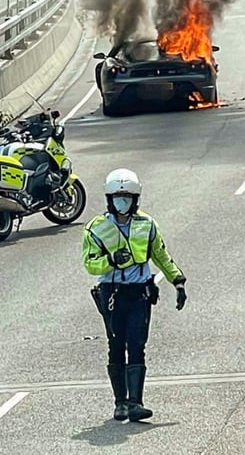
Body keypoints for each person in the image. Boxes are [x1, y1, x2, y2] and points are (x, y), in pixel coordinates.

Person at [81, 168, 188, 422]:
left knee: (137, 344)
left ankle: (135, 402)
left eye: (128, 197)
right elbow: (89, 264)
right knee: (116, 345)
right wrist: (110, 260)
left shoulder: (146, 225)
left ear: (136, 199)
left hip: (139, 293)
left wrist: (178, 281)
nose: (122, 203)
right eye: (118, 198)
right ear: (109, 199)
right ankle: (120, 403)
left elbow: (160, 255)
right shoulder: (95, 229)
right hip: (112, 295)